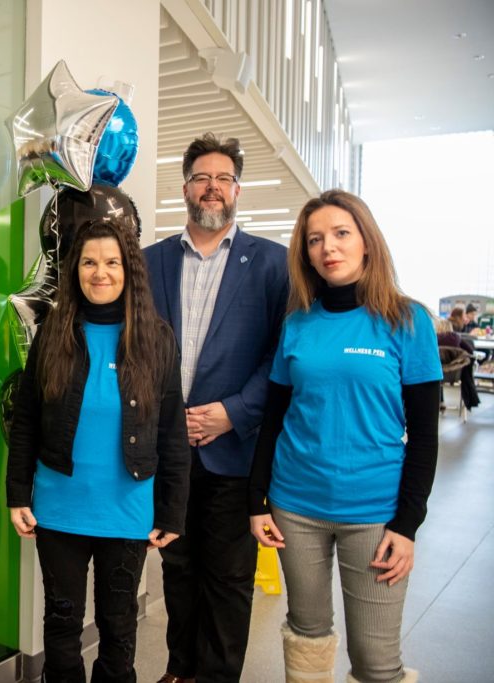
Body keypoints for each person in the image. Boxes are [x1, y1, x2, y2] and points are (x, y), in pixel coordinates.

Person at [249, 190, 441, 683]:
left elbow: (424, 434)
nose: (327, 247)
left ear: (367, 242)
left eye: (340, 233)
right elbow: (273, 420)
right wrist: (257, 501)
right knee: (306, 640)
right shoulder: (297, 324)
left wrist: (408, 524)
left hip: (376, 514)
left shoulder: (406, 320)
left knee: (377, 663)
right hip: (295, 506)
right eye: (315, 239)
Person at [6, 217, 190, 683]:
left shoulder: (156, 340)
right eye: (89, 262)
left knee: (118, 626)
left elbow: (172, 432)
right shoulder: (53, 334)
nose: (100, 272)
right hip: (60, 508)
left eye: (111, 261)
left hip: (126, 511)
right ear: (75, 270)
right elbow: (26, 418)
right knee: (62, 624)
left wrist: (172, 513)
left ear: (129, 269)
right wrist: (18, 494)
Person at [143, 133, 289, 683]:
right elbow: (136, 348)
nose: (213, 187)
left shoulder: (272, 264)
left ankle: (217, 676)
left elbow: (281, 355)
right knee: (176, 570)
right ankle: (180, 671)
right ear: (185, 188)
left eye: (223, 178)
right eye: (202, 177)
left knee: (228, 579)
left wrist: (233, 411)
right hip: (168, 451)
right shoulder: (149, 262)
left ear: (237, 191)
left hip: (235, 450)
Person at [435, 317, 480, 412]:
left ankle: (440, 402)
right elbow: (470, 352)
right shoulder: (456, 337)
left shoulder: (433, 339)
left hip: (436, 375)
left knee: (439, 368)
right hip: (455, 375)